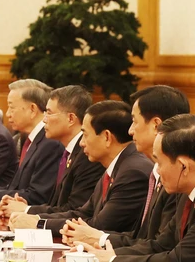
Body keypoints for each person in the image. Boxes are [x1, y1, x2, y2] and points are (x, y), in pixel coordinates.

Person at [61, 85, 189, 248]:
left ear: (156, 125)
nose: (130, 131)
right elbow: (141, 236)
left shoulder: (176, 178)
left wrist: (100, 240)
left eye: (135, 121)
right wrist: (98, 238)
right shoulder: (155, 172)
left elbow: (162, 246)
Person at [9, 100, 153, 236]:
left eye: (85, 134)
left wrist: (39, 224)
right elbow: (83, 213)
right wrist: (35, 219)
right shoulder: (118, 164)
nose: (82, 143)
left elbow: (98, 226)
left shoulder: (132, 172)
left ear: (107, 137)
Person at [75, 114, 195, 261]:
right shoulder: (185, 195)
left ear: (184, 166)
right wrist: (104, 254)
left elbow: (176, 259)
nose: (157, 170)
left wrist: (112, 260)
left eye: (160, 162)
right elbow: (161, 246)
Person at [0, 85, 105, 217]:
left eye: (49, 112)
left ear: (71, 119)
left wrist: (27, 211)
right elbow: (57, 205)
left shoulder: (87, 156)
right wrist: (26, 206)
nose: (44, 119)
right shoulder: (70, 152)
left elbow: (75, 210)